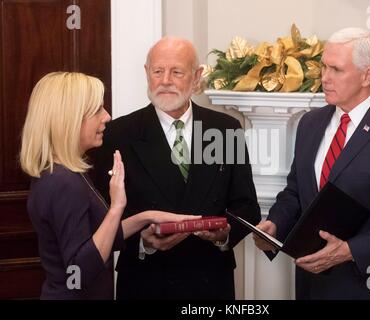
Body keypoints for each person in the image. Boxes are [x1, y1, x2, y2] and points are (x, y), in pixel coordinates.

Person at [254, 28, 370, 299]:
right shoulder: (310, 123)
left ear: (367, 76)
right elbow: (296, 191)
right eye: (323, 67)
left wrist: (349, 250)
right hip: (312, 286)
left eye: (336, 70)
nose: (324, 78)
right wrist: (275, 223)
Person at [91, 36, 261, 300]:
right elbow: (100, 216)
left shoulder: (226, 129)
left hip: (210, 281)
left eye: (177, 72)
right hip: (145, 282)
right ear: (147, 73)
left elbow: (247, 207)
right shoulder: (118, 133)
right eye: (158, 71)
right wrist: (143, 243)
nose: (166, 80)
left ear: (197, 77)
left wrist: (223, 235)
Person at [20, 72, 197, 299]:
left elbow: (95, 242)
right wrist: (116, 207)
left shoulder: (59, 173)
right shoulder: (63, 183)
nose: (107, 116)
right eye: (97, 110)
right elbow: (79, 273)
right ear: (69, 118)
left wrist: (148, 216)